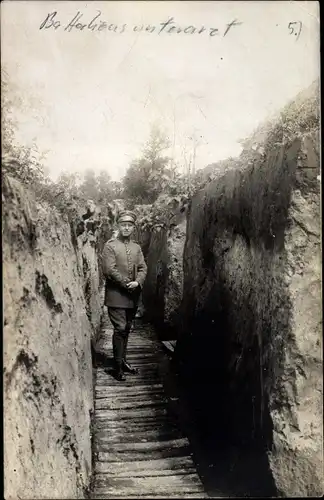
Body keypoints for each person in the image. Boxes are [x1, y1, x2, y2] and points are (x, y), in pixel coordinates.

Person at [102, 210, 147, 381]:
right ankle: (117, 367)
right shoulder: (110, 246)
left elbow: (143, 267)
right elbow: (109, 269)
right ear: (118, 226)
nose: (126, 228)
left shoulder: (136, 247)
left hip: (132, 296)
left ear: (133, 227)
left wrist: (138, 282)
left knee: (127, 328)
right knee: (120, 328)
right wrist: (126, 283)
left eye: (129, 225)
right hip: (116, 295)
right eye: (123, 225)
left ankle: (123, 361)